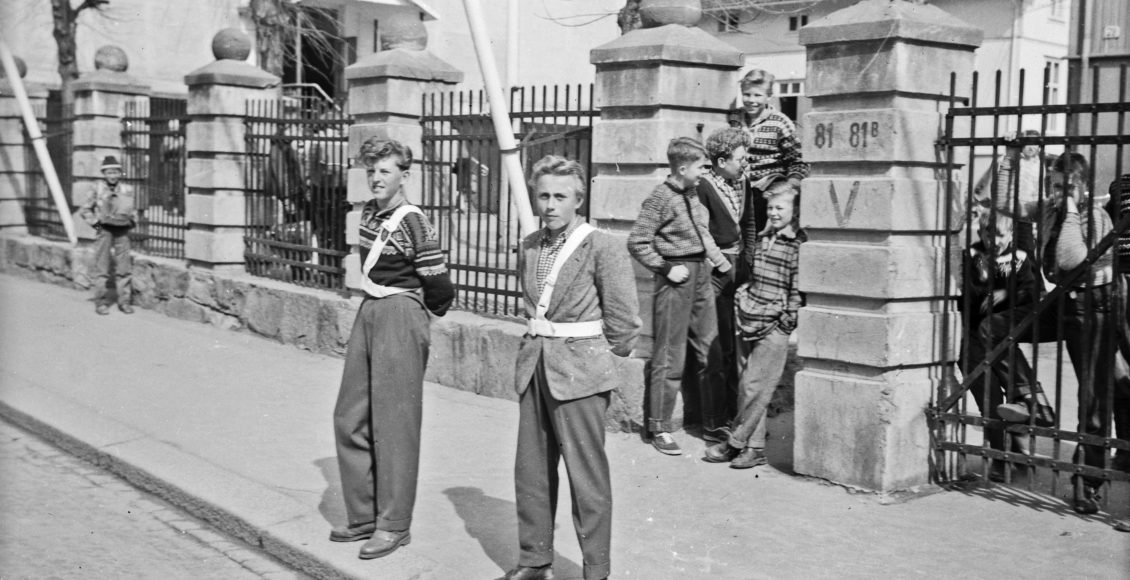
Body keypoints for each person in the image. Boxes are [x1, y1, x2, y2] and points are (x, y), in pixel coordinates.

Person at [502, 155, 640, 580]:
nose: (550, 205)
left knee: (587, 479)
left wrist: (593, 357)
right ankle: (534, 559)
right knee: (531, 473)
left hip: (581, 372)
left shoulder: (602, 244)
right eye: (542, 195)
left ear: (579, 198)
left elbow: (624, 321)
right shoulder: (529, 245)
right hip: (535, 368)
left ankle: (595, 569)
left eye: (560, 196)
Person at [330, 138, 455, 559]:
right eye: (372, 171)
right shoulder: (368, 212)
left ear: (405, 175)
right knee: (349, 416)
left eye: (385, 170)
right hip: (370, 309)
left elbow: (438, 284)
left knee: (395, 423)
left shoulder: (413, 221)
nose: (377, 178)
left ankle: (394, 524)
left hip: (400, 311)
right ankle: (363, 514)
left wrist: (414, 314)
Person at [628, 137, 731, 456]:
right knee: (670, 355)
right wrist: (664, 268)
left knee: (711, 349)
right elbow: (638, 242)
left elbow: (702, 233)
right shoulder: (660, 197)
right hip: (676, 277)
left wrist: (720, 263)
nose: (706, 171)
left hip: (701, 274)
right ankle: (658, 426)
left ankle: (714, 423)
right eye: (701, 166)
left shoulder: (693, 192)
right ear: (682, 167)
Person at [703, 181, 802, 469]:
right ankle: (754, 448)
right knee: (749, 385)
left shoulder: (797, 243)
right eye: (770, 207)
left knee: (754, 386)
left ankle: (734, 443)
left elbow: (797, 287)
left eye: (779, 208)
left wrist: (788, 318)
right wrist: (743, 297)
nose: (773, 213)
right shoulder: (763, 237)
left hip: (774, 322)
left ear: (794, 211)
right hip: (748, 315)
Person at [1042, 152, 1117, 515]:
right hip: (1066, 305)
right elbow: (1005, 204)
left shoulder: (1094, 217)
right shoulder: (1052, 214)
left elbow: (1072, 258)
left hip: (1096, 308)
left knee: (1092, 396)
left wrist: (1070, 208)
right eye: (1055, 187)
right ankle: (1029, 399)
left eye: (1067, 186)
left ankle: (1087, 480)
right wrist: (1010, 159)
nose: (1059, 193)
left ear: (1084, 187)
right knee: (992, 329)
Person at [958, 212, 1054, 478]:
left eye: (1001, 234)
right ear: (981, 233)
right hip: (971, 338)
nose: (995, 240)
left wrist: (1004, 293)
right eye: (989, 234)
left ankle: (1020, 451)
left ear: (1011, 234)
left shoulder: (1020, 258)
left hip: (999, 335)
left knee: (1013, 400)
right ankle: (999, 456)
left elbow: (1034, 293)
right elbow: (968, 294)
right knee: (988, 396)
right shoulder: (972, 258)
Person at [695, 127, 750, 442]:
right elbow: (703, 232)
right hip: (716, 273)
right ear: (720, 160)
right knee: (714, 350)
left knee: (732, 347)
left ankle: (733, 414)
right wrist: (723, 263)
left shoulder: (738, 183)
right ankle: (714, 421)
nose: (744, 164)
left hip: (735, 269)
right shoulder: (704, 187)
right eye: (740, 158)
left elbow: (744, 224)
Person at [729, 69, 809, 232]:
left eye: (757, 95)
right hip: (739, 187)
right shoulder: (734, 118)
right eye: (747, 94)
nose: (751, 100)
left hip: (768, 188)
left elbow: (799, 162)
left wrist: (790, 186)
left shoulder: (780, 122)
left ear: (768, 96)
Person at [77, 155, 136, 315]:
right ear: (104, 174)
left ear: (120, 173)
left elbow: (133, 210)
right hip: (105, 231)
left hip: (122, 231)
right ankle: (101, 302)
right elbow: (85, 209)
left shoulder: (127, 189)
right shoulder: (96, 188)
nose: (113, 176)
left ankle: (124, 302)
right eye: (109, 172)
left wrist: (131, 221)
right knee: (101, 266)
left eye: (116, 172)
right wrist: (97, 226)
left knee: (124, 267)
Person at [973, 129, 1046, 253]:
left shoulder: (1039, 165)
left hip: (1025, 219)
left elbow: (1039, 191)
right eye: (1028, 141)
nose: (1031, 146)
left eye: (1035, 143)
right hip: (1003, 218)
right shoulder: (1006, 159)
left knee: (1026, 257)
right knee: (998, 255)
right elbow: (984, 186)